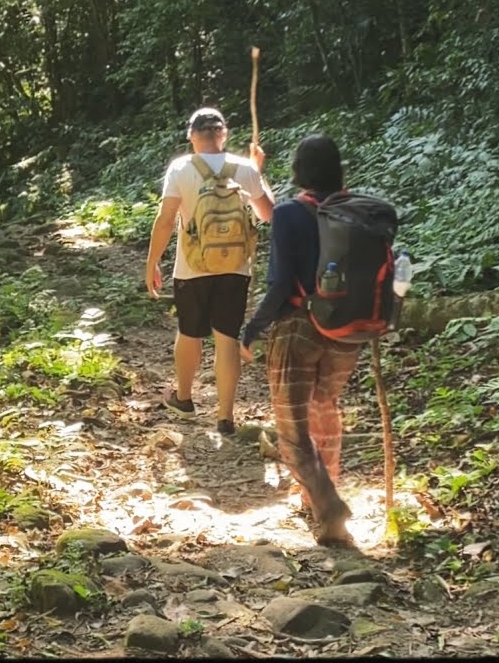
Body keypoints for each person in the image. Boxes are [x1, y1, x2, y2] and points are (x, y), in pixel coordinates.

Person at [239, 133, 359, 548]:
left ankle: (328, 508)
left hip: (298, 330)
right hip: (347, 333)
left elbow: (279, 286)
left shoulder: (290, 214)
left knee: (292, 432)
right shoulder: (356, 210)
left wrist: (252, 329)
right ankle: (319, 492)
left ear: (299, 172)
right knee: (325, 407)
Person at [145, 107, 274, 435]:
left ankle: (184, 400)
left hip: (192, 267)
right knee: (227, 339)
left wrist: (152, 262)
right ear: (224, 134)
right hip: (235, 268)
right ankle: (225, 417)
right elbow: (269, 214)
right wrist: (259, 172)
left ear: (191, 136)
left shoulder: (181, 168)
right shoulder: (244, 169)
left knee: (189, 332)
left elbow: (165, 220)